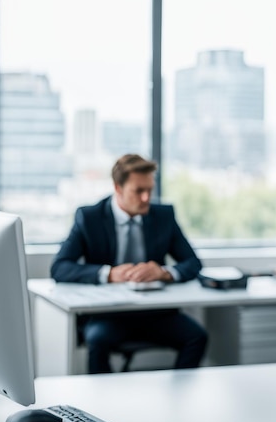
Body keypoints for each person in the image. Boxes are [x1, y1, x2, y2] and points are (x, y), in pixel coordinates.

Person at [51, 153, 208, 374]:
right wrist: (109, 274)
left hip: (155, 313)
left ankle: (178, 396)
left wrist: (163, 272)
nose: (146, 198)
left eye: (149, 190)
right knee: (97, 341)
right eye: (138, 191)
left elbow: (193, 263)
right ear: (118, 188)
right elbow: (59, 267)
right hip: (108, 314)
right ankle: (101, 403)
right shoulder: (90, 217)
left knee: (197, 337)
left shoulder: (163, 216)